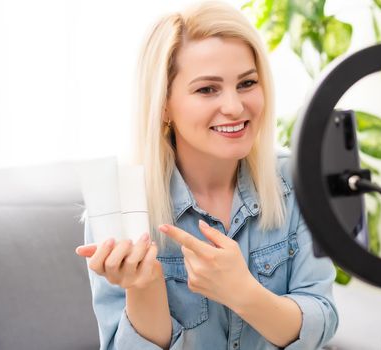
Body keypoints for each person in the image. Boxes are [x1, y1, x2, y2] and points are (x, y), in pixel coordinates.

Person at [75, 1, 339, 349]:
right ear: (164, 103)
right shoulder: (122, 212)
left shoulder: (297, 182)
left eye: (247, 83)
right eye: (207, 89)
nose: (234, 106)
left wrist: (243, 293)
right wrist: (144, 287)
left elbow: (323, 319)